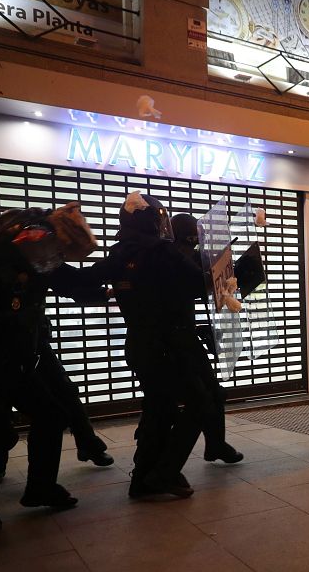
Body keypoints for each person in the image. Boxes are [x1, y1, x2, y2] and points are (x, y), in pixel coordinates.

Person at [77, 192, 230, 499]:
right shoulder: (162, 251)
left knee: (158, 408)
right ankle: (164, 473)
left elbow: (86, 281)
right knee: (199, 404)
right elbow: (197, 286)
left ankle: (143, 478)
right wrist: (224, 272)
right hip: (170, 344)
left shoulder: (120, 252)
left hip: (138, 343)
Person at [0, 204, 100, 535]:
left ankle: (40, 488)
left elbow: (75, 282)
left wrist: (120, 277)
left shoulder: (35, 259)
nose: (55, 255)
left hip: (17, 361)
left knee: (50, 415)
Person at [0, 208, 113, 468]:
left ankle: (88, 444)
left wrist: (105, 292)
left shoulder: (35, 258)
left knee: (64, 392)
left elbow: (71, 282)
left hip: (32, 340)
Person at [170, 212, 244, 465]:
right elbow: (199, 287)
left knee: (212, 393)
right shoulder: (177, 257)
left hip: (185, 336)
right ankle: (167, 466)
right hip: (175, 342)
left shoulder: (178, 255)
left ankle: (215, 445)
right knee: (202, 398)